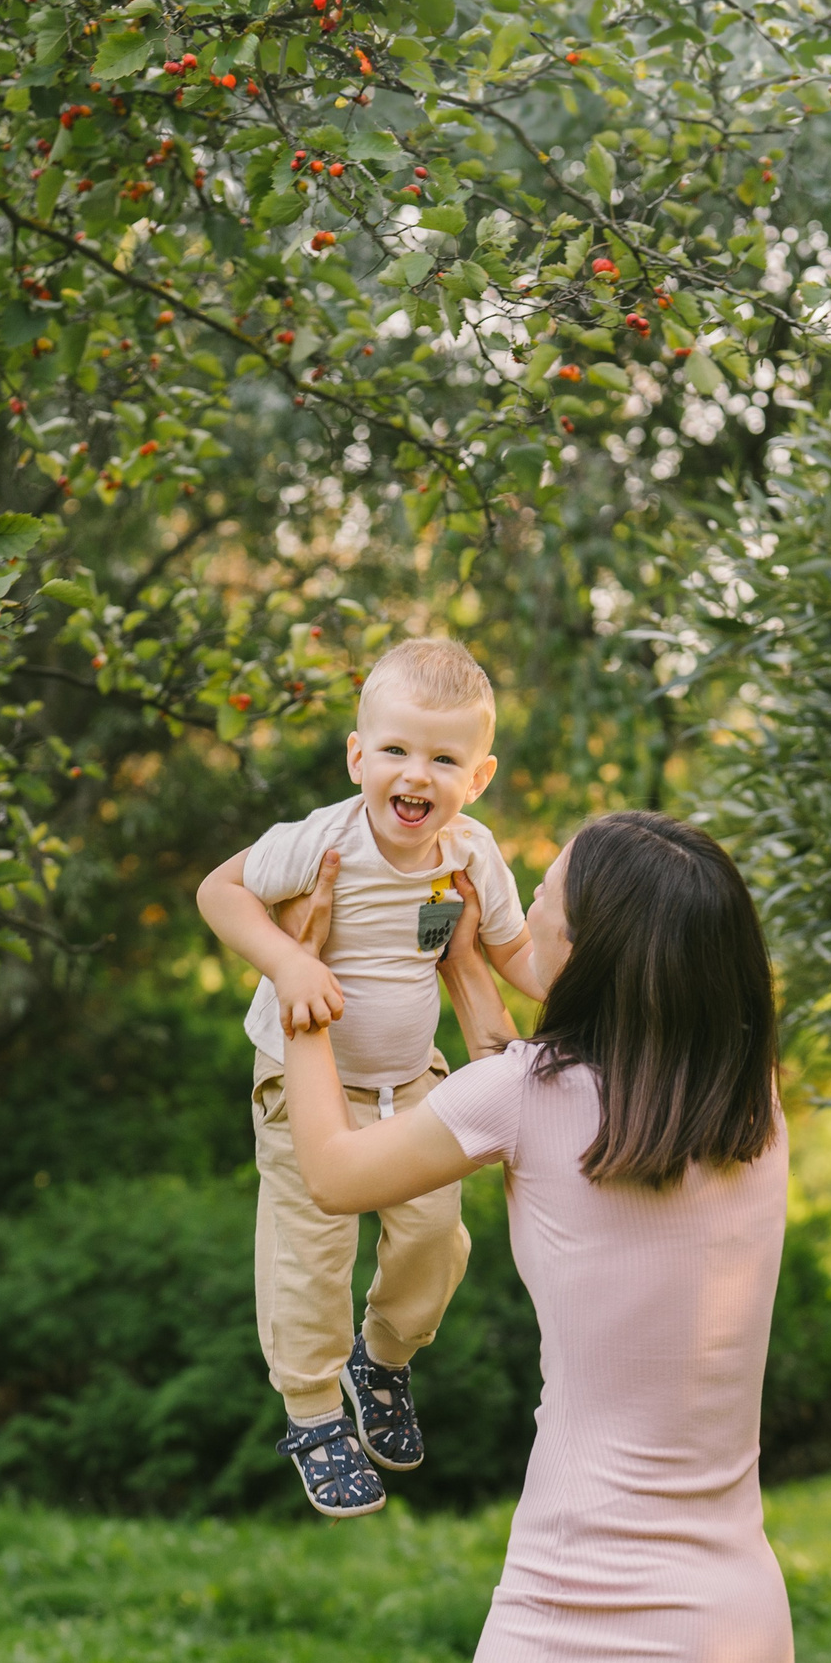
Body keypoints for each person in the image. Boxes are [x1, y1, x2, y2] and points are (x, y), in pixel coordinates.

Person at [277, 810, 793, 1662]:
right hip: (736, 1616)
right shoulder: (750, 1108)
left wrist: (301, 985)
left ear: (590, 947)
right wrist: (463, 960)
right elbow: (539, 1077)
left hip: (574, 1603)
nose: (532, 905)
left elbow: (333, 1174)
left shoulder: (521, 1099)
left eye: (547, 893)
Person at [195, 638, 545, 1517]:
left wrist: (596, 989)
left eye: (442, 757)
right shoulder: (325, 838)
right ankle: (313, 1412)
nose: (414, 774)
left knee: (436, 1236)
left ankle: (382, 1355)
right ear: (357, 755)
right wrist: (285, 962)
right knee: (311, 1253)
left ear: (481, 774)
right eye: (393, 750)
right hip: (304, 1080)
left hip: (411, 1077)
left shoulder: (471, 855)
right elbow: (217, 893)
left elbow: (512, 952)